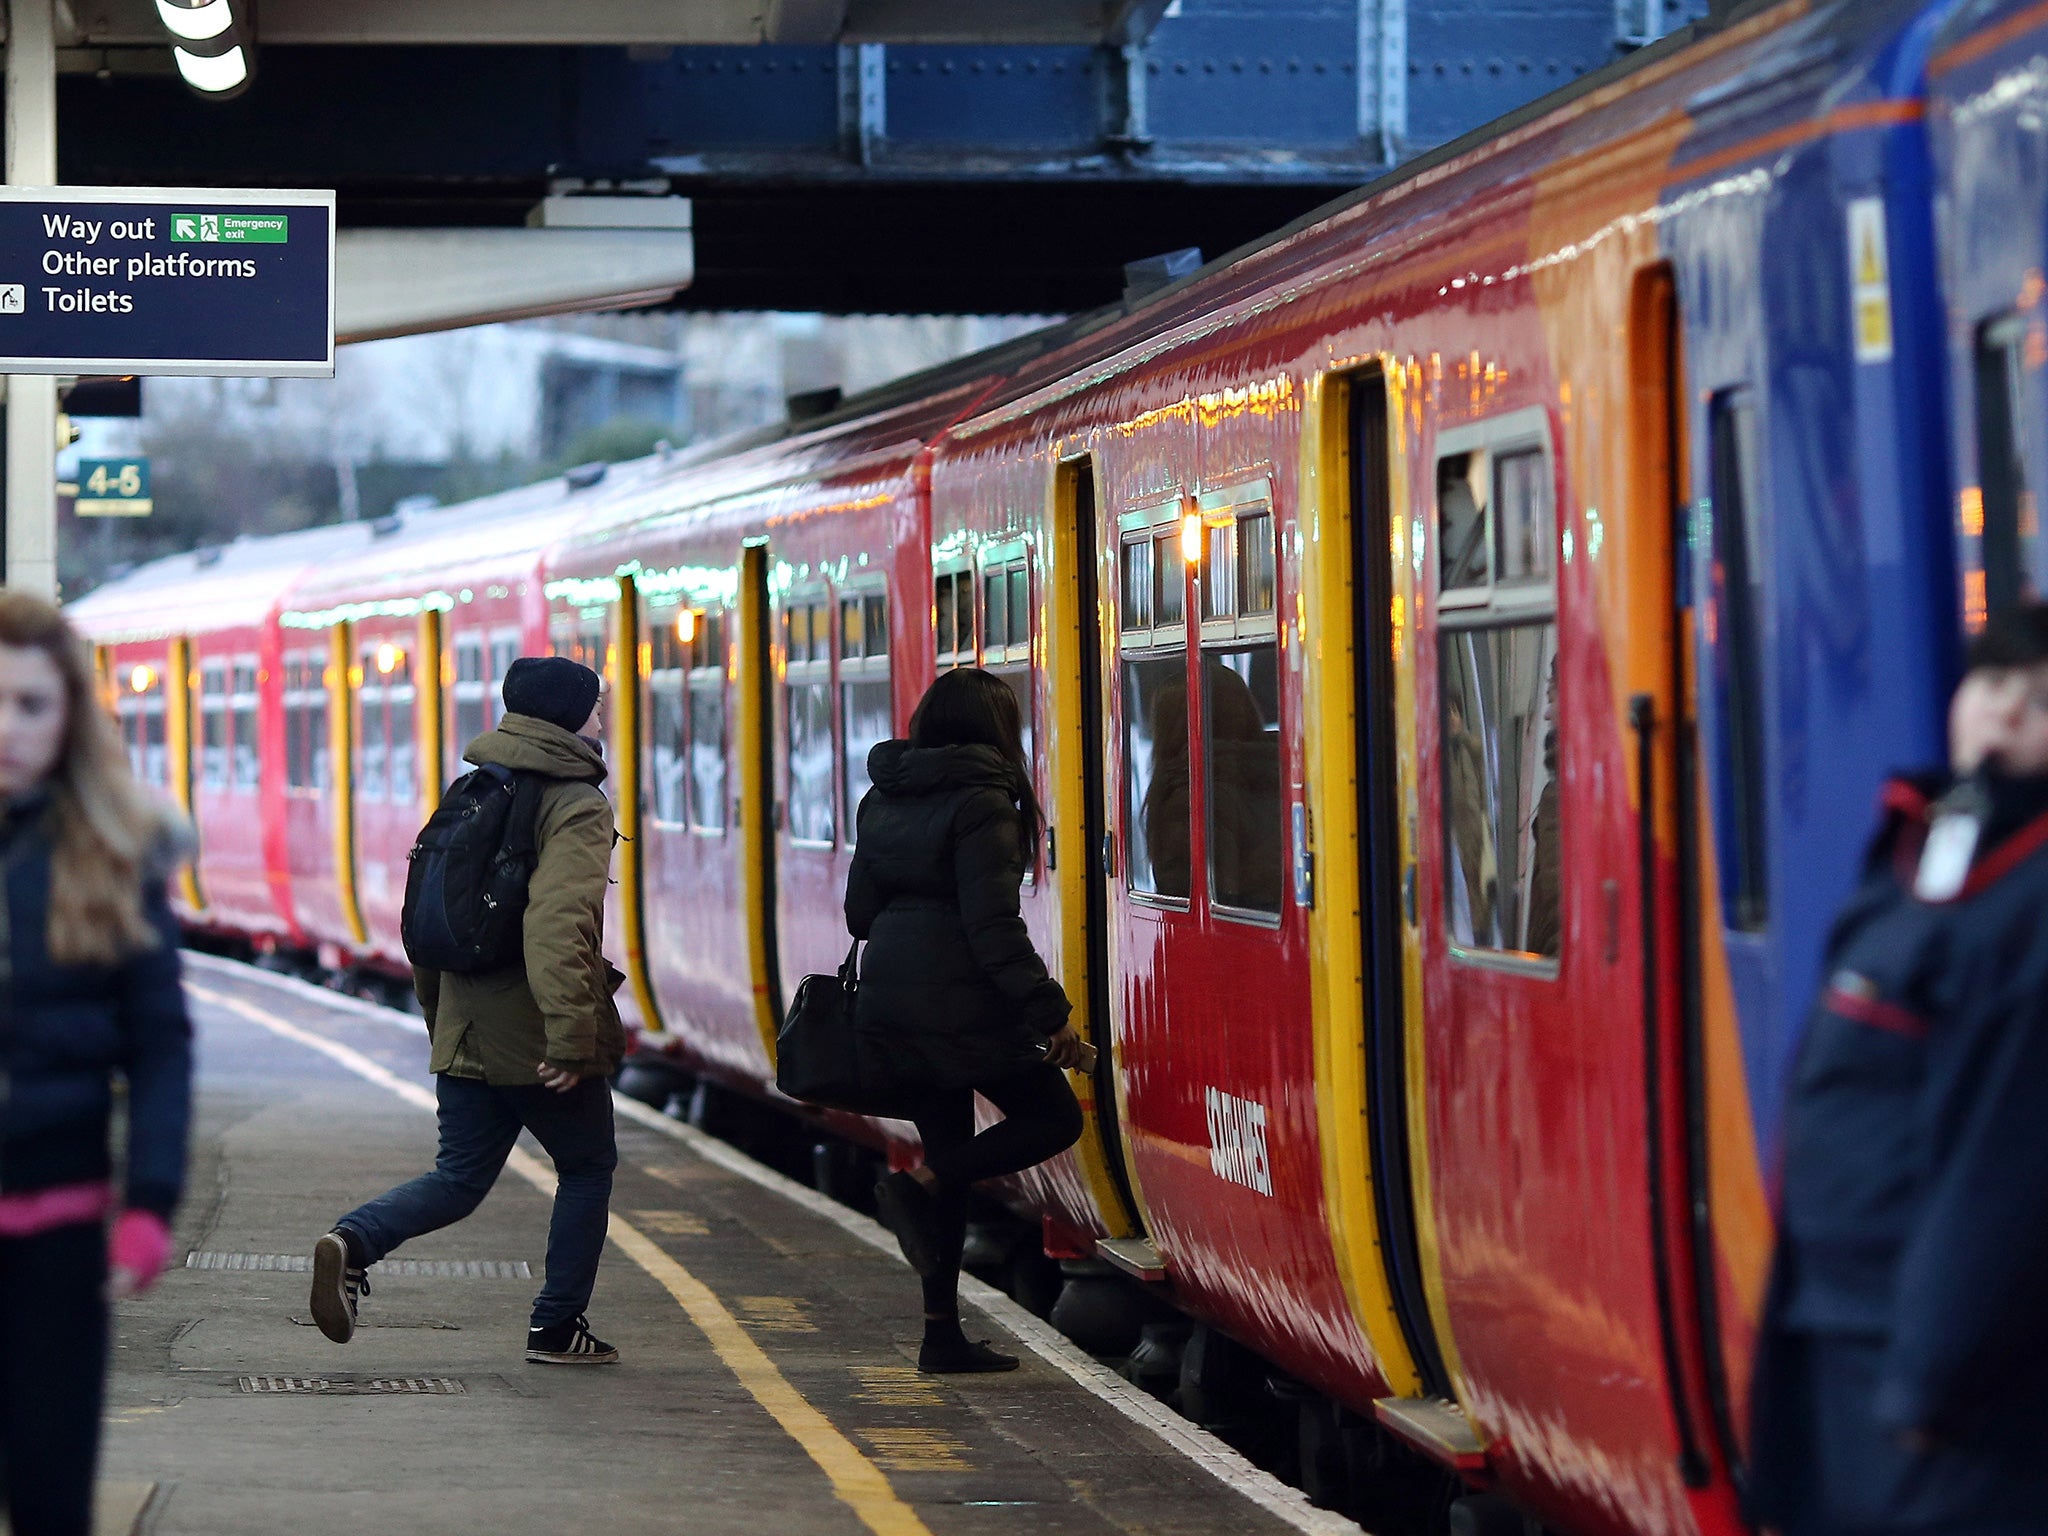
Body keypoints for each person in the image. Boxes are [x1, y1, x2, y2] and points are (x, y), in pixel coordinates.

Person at [1749, 602, 2048, 1536]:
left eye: (2039, 699)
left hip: (1943, 1396)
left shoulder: (2028, 896)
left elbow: (2001, 1163)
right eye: (1994, 683)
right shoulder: (1933, 846)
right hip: (1845, 1341)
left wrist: (1931, 1387)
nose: (2003, 714)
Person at [310, 656, 627, 1365]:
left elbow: (424, 919)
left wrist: (438, 1019)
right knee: (587, 1166)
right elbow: (558, 926)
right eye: (595, 707)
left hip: (465, 1025)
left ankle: (352, 1241)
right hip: (536, 1035)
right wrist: (572, 1038)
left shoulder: (471, 790)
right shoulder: (575, 803)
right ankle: (555, 1327)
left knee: (458, 1179)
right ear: (568, 718)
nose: (602, 720)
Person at [0, 591, 192, 1536]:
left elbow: (161, 1045)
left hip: (60, 1237)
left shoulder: (116, 858)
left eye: (31, 704)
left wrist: (151, 1203)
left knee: (49, 1493)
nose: (8, 729)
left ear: (70, 714)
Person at [847, 668, 1086, 1374]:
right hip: (959, 1005)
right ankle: (914, 1187)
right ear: (995, 731)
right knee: (1052, 1119)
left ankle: (940, 1335)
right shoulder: (986, 803)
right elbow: (993, 929)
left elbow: (860, 912)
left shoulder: (883, 796)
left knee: (949, 1154)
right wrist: (1053, 1017)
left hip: (891, 999)